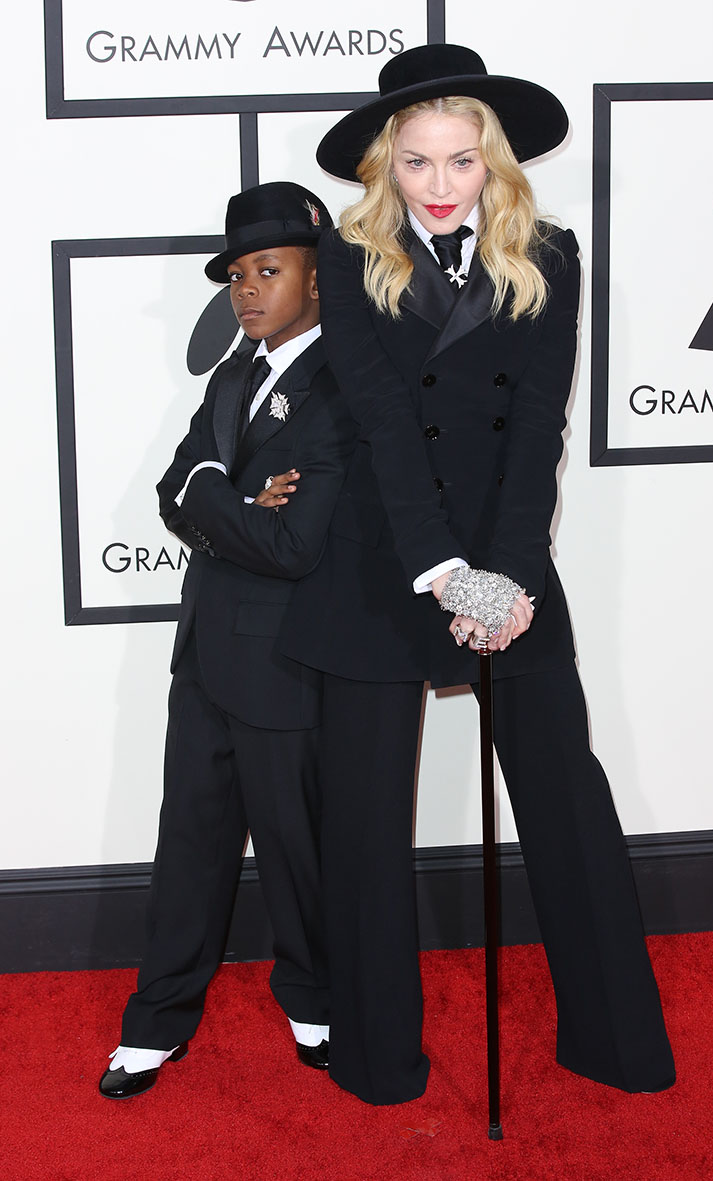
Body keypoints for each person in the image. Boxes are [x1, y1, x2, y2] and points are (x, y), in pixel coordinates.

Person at [280, 44, 676, 1105]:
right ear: (384, 166)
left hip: (503, 558)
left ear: (494, 164)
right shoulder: (353, 260)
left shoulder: (548, 251)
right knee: (363, 819)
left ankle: (614, 1040)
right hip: (382, 558)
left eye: (462, 162)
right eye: (416, 163)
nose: (441, 187)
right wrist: (446, 572)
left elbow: (535, 422)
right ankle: (377, 1061)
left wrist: (502, 574)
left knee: (564, 792)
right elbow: (379, 432)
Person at [98, 181, 355, 1099]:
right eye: (238, 274)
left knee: (297, 849)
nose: (247, 291)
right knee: (189, 848)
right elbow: (173, 491)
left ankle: (316, 1001)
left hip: (285, 665)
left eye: (269, 270)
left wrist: (212, 492)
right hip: (204, 653)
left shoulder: (342, 388)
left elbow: (293, 544)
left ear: (320, 278)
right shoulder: (229, 376)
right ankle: (156, 1021)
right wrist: (225, 491)